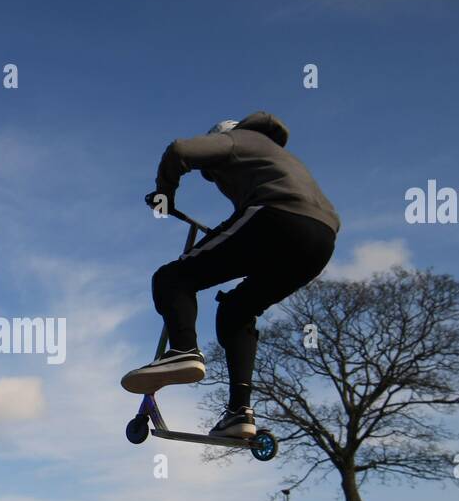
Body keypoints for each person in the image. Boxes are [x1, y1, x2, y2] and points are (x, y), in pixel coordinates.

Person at [121, 112, 340, 439]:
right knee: (237, 311)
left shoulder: (241, 138)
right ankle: (240, 412)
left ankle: (183, 351)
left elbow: (179, 150)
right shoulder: (274, 159)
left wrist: (164, 194)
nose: (216, 178)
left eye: (213, 171)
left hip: (277, 215)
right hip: (320, 240)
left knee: (172, 278)